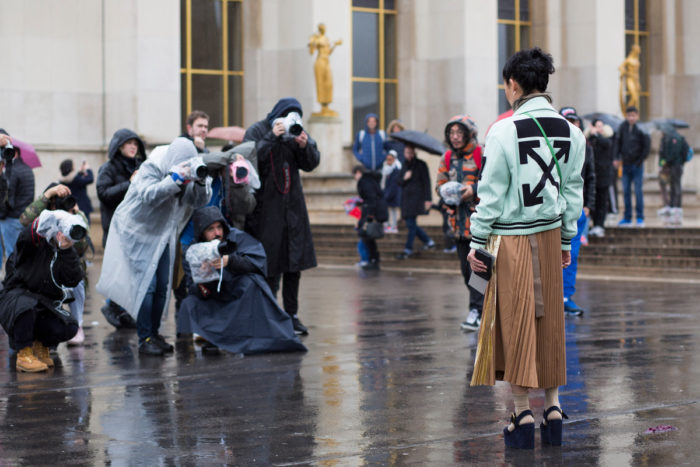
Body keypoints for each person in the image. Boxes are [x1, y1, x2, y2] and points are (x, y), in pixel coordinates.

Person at [467, 47, 585, 449]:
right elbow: (573, 192)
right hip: (550, 235)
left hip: (511, 238)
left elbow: (490, 194)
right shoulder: (572, 132)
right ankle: (553, 408)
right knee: (550, 323)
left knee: (514, 323)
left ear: (513, 84)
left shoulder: (502, 131)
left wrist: (477, 240)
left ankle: (521, 414)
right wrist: (567, 238)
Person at [96, 137, 210, 356]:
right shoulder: (152, 167)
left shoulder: (188, 171)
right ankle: (145, 338)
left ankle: (154, 334)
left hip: (161, 234)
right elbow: (148, 195)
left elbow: (198, 202)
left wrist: (200, 182)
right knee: (147, 286)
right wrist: (175, 179)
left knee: (162, 286)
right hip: (135, 232)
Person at [177, 206, 306, 354]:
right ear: (201, 232)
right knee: (189, 303)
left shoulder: (237, 238)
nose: (217, 233)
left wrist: (231, 261)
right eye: (210, 229)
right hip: (215, 297)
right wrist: (203, 277)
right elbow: (192, 287)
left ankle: (254, 336)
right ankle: (212, 337)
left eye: (219, 227)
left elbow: (257, 263)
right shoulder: (193, 252)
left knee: (252, 283)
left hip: (238, 293)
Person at [243, 97, 320, 336]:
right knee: (270, 265)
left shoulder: (296, 132)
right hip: (266, 211)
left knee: (293, 264)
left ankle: (292, 315)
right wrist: (271, 137)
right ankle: (268, 314)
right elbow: (249, 160)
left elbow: (311, 164)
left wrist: (305, 146)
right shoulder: (258, 130)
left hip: (293, 209)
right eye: (287, 115)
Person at [0, 210, 87, 372]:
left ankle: (40, 345)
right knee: (26, 306)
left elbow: (73, 279)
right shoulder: (32, 244)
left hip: (43, 304)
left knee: (69, 326)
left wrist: (66, 250)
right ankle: (24, 353)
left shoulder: (63, 250)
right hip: (16, 302)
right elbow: (26, 237)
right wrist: (46, 220)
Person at [19, 183, 91, 345]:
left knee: (78, 281)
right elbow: (24, 220)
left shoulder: (74, 217)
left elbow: (82, 248)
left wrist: (75, 215)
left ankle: (77, 325)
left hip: (65, 267)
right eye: (57, 201)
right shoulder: (44, 216)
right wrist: (47, 195)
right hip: (43, 268)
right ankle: (43, 332)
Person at [435, 115, 484, 331]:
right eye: (452, 133)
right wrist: (446, 192)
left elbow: (493, 181)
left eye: (459, 133)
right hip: (457, 225)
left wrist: (474, 189)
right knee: (466, 272)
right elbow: (439, 184)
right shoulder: (446, 157)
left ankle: (477, 310)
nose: (455, 137)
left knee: (478, 270)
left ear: (469, 134)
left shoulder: (481, 153)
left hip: (480, 224)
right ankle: (480, 307)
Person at [96, 128, 146, 329]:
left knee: (132, 273)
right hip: (116, 229)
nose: (133, 147)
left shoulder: (140, 166)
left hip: (136, 228)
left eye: (136, 144)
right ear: (118, 146)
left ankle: (122, 310)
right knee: (119, 272)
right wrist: (129, 183)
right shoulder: (108, 168)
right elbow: (103, 194)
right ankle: (112, 305)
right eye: (128, 143)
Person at [559, 107, 596, 317]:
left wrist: (588, 205)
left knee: (571, 255)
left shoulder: (585, 147)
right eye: (567, 121)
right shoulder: (551, 144)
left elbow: (591, 177)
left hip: (577, 210)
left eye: (574, 121)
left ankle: (566, 297)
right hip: (555, 209)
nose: (572, 125)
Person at [0, 129, 35, 270]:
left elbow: (8, 199)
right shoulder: (27, 169)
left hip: (10, 219)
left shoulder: (12, 170)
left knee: (11, 255)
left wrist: (2, 215)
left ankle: (12, 280)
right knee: (19, 254)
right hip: (24, 217)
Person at [396, 144, 435, 259]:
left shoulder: (421, 164)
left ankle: (408, 248)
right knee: (411, 224)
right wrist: (405, 177)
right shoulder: (404, 165)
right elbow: (398, 181)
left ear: (414, 153)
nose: (408, 155)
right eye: (406, 153)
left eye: (410, 152)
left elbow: (426, 183)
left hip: (417, 199)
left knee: (411, 224)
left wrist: (428, 199)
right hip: (406, 200)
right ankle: (428, 241)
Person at [613, 106, 650, 227]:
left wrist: (639, 161)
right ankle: (627, 217)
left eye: (633, 115)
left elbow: (646, 147)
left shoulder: (642, 128)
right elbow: (618, 143)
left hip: (637, 165)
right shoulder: (622, 127)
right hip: (626, 165)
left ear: (637, 116)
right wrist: (616, 158)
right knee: (626, 192)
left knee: (638, 191)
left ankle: (640, 217)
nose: (631, 118)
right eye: (629, 115)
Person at [353, 165, 387, 270]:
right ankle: (373, 259)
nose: (355, 178)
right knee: (369, 237)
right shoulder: (369, 180)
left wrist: (370, 216)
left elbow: (372, 198)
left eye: (354, 175)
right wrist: (362, 203)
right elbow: (371, 197)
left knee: (366, 235)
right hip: (372, 211)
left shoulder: (365, 181)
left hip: (371, 212)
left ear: (358, 172)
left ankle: (373, 259)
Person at [586, 118, 615, 237]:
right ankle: (594, 224)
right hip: (593, 177)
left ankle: (600, 225)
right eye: (597, 126)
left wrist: (596, 135)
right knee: (593, 202)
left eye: (601, 126)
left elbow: (607, 144)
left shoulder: (606, 139)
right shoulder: (589, 140)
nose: (600, 128)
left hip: (604, 176)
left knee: (602, 202)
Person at [308, 23, 342, 116]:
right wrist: (312, 43)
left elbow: (329, 52)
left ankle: (326, 106)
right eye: (322, 28)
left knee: (328, 84)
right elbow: (311, 51)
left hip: (326, 62)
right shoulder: (317, 38)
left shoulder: (326, 39)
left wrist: (335, 45)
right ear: (320, 29)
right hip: (320, 62)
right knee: (321, 84)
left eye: (325, 28)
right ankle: (323, 107)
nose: (324, 29)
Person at [658, 128, 690, 225]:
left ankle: (677, 207)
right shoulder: (668, 138)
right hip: (673, 165)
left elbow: (676, 153)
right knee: (672, 185)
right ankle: (672, 206)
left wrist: (668, 161)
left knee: (676, 185)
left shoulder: (676, 138)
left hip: (676, 165)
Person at [59, 159, 94, 223]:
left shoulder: (62, 181)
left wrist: (80, 172)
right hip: (83, 207)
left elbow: (76, 180)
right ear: (71, 167)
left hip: (71, 207)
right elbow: (90, 179)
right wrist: (88, 169)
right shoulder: (75, 179)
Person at [380, 149, 401, 233]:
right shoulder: (385, 168)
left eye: (390, 159)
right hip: (386, 192)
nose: (388, 161)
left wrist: (388, 195)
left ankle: (393, 226)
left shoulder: (396, 169)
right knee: (387, 210)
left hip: (393, 194)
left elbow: (394, 184)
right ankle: (387, 225)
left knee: (393, 210)